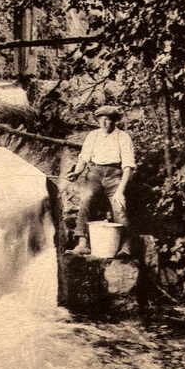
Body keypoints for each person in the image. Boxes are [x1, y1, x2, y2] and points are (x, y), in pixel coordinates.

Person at [66, 106, 136, 257]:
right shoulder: (93, 136)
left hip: (115, 175)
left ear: (115, 120)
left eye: (108, 119)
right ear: (97, 120)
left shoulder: (123, 137)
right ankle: (82, 243)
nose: (105, 122)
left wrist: (120, 191)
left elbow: (128, 167)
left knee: (119, 206)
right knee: (86, 198)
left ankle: (126, 246)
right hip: (95, 175)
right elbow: (84, 158)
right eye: (101, 119)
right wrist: (77, 172)